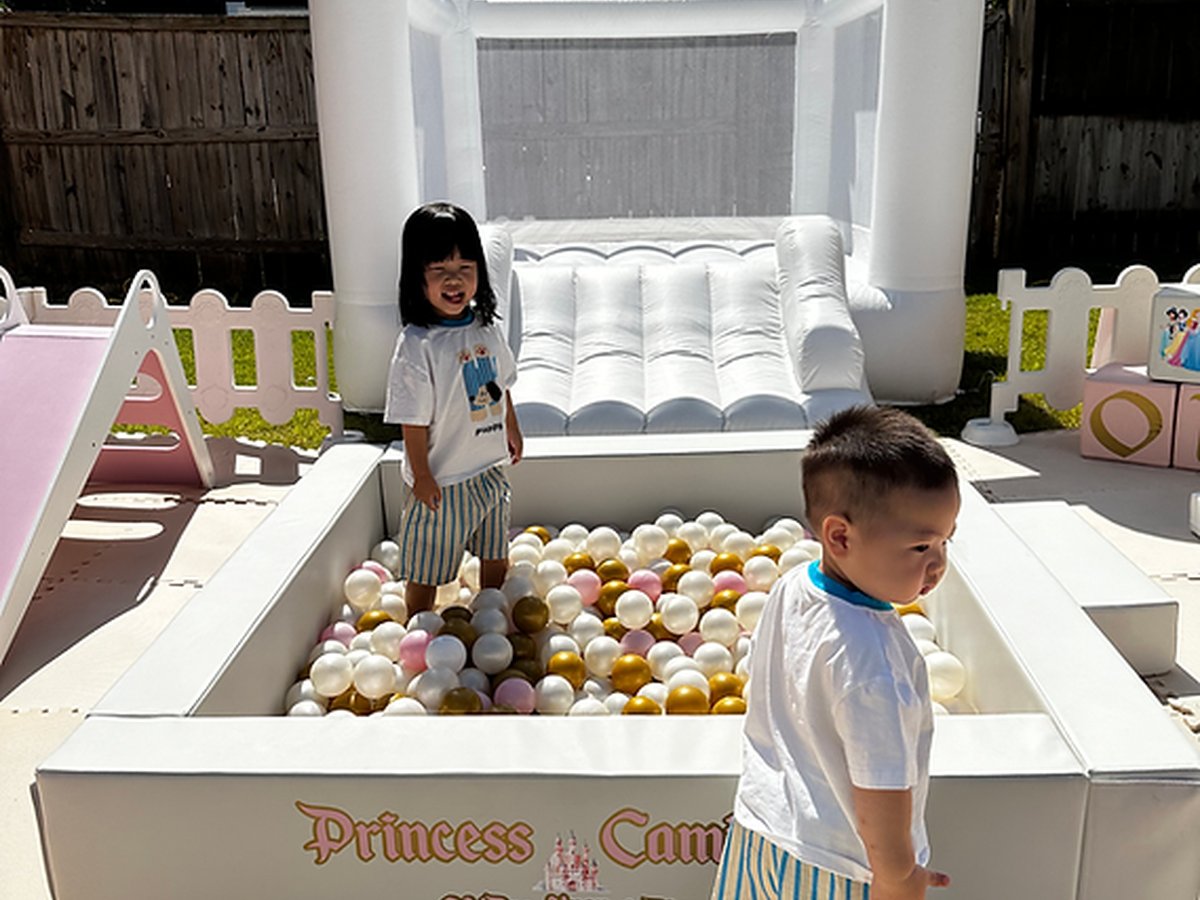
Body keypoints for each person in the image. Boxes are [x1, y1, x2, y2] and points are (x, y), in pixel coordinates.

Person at [713, 406, 959, 900]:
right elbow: (880, 784)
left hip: (760, 831)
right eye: (920, 547)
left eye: (946, 541)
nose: (937, 564)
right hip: (839, 867)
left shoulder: (793, 587)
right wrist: (898, 875)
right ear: (840, 535)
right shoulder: (874, 660)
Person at [384, 202, 523, 615]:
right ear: (417, 277)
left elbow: (502, 385)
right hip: (443, 482)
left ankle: (491, 610)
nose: (454, 280)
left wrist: (511, 428)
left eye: (465, 268)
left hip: (488, 468)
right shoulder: (418, 343)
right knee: (427, 564)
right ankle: (417, 619)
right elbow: (412, 420)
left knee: (495, 549)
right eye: (439, 270)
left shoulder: (487, 328)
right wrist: (422, 475)